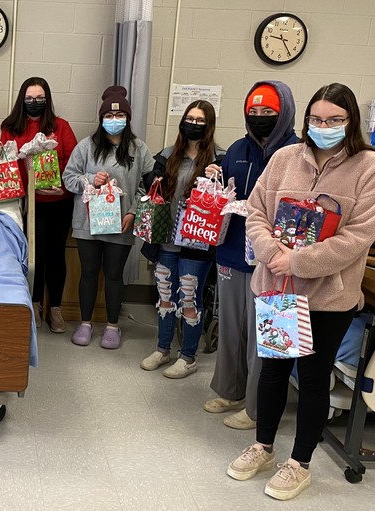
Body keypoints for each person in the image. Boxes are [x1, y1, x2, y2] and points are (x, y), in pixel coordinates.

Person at [227, 83, 375, 500]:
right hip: (277, 288)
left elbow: (358, 237)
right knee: (272, 370)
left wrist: (299, 261)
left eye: (334, 120)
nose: (323, 127)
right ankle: (265, 446)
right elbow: (254, 210)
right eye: (316, 119)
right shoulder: (285, 158)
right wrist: (272, 251)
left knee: (312, 379)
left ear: (350, 122)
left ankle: (300, 463)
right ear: (305, 119)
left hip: (329, 297)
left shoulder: (367, 166)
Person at [203, 82, 299, 430]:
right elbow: (225, 195)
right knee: (232, 326)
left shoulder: (296, 152)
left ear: (284, 112)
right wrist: (214, 182)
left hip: (276, 259)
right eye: (253, 113)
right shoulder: (237, 149)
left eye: (268, 113)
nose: (259, 119)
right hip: (232, 251)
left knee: (266, 334)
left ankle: (259, 406)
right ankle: (230, 389)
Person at [61, 86, 153, 349]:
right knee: (88, 273)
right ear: (101, 119)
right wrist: (91, 179)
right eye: (109, 117)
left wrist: (134, 212)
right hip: (88, 223)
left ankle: (113, 326)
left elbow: (147, 186)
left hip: (120, 223)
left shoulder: (139, 149)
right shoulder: (87, 147)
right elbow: (68, 179)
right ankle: (86, 323)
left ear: (128, 118)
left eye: (120, 115)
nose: (115, 121)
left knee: (114, 275)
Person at [138, 100, 224, 378]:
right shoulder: (166, 155)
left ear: (209, 125)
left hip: (197, 243)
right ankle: (162, 349)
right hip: (166, 239)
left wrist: (217, 180)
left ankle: (187, 356)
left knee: (189, 298)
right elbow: (147, 188)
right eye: (190, 118)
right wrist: (153, 181)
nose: (194, 124)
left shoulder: (219, 159)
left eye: (200, 121)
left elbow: (226, 200)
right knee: (165, 296)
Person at [0, 77, 77, 333]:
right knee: (35, 256)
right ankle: (36, 304)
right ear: (22, 99)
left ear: (47, 99)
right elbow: (6, 164)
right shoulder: (10, 127)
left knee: (56, 255)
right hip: (30, 204)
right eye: (29, 98)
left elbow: (73, 162)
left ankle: (56, 308)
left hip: (60, 200)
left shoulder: (61, 126)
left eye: (39, 98)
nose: (34, 102)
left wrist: (62, 186)